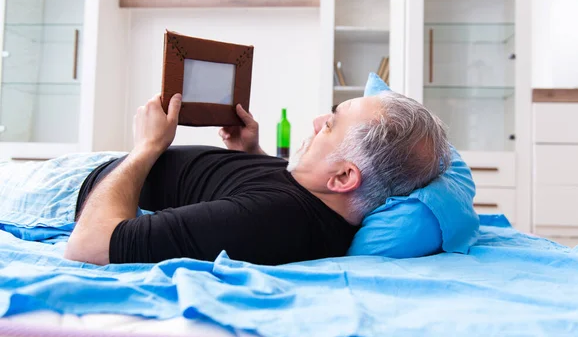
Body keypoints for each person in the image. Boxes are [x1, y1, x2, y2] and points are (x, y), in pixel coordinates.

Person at [11, 90, 450, 266]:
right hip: (108, 170)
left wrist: (147, 147)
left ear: (342, 177)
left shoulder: (275, 220)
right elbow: (270, 193)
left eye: (331, 125)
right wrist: (249, 155)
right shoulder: (319, 198)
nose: (317, 121)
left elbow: (88, 247)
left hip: (76, 190)